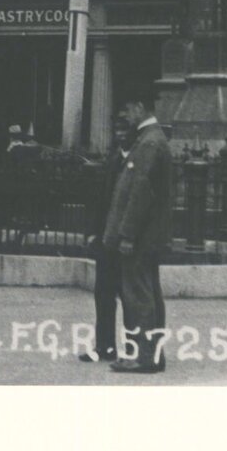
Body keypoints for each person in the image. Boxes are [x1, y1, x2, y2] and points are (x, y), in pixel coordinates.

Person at [105, 103, 174, 374]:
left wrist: (126, 234)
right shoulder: (153, 140)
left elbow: (140, 193)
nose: (125, 118)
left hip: (140, 237)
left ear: (138, 108)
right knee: (149, 294)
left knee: (138, 296)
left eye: (127, 112)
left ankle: (142, 356)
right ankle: (153, 354)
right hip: (149, 235)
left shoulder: (148, 143)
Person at [78, 110, 135, 364]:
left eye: (125, 130)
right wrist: (92, 232)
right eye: (118, 130)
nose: (120, 135)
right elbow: (100, 200)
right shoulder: (113, 160)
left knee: (129, 296)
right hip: (105, 240)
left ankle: (132, 349)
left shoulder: (136, 160)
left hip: (125, 241)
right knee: (103, 294)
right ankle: (104, 346)